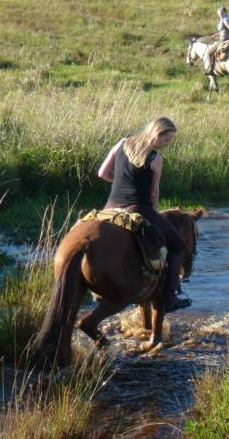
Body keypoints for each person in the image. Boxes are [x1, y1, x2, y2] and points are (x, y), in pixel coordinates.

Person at [97, 117, 191, 313]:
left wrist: (122, 183)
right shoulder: (156, 158)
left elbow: (102, 174)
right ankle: (170, 297)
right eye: (167, 140)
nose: (167, 144)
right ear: (158, 134)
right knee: (178, 246)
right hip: (138, 208)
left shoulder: (122, 142)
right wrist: (154, 209)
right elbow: (154, 193)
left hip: (110, 208)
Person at [204, 6, 229, 75]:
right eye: (219, 13)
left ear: (225, 12)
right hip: (224, 37)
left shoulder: (225, 20)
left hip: (223, 39)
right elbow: (225, 30)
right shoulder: (228, 18)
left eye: (222, 13)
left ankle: (210, 70)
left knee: (208, 53)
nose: (220, 15)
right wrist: (216, 35)